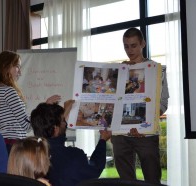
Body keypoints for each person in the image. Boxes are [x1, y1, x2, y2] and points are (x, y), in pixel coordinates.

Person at [111, 27, 169, 184]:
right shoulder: (119, 71)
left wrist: (147, 120)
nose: (129, 50)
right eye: (126, 46)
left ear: (143, 44)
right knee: (126, 181)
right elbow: (112, 102)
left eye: (134, 45)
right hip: (120, 135)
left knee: (152, 178)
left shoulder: (155, 70)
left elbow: (163, 102)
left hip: (146, 134)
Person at [0, 50, 60, 153]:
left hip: (4, 144)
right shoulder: (8, 91)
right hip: (13, 145)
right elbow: (26, 125)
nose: (20, 72)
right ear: (6, 66)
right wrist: (44, 107)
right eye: (17, 66)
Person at [30, 102, 112, 186]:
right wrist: (103, 141)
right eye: (63, 120)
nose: (66, 123)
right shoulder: (73, 156)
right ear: (56, 129)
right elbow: (95, 169)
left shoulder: (29, 155)